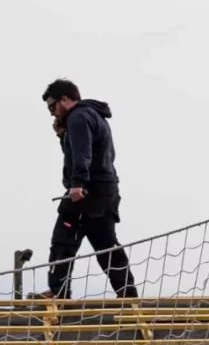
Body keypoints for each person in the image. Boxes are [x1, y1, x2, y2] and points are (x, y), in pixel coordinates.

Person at [37, 78, 138, 301]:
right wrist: (62, 136)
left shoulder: (79, 117)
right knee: (105, 244)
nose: (52, 113)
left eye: (52, 106)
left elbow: (83, 152)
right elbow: (84, 149)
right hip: (105, 190)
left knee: (63, 239)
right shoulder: (93, 115)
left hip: (87, 192)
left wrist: (78, 184)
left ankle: (58, 292)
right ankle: (128, 296)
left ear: (65, 99)